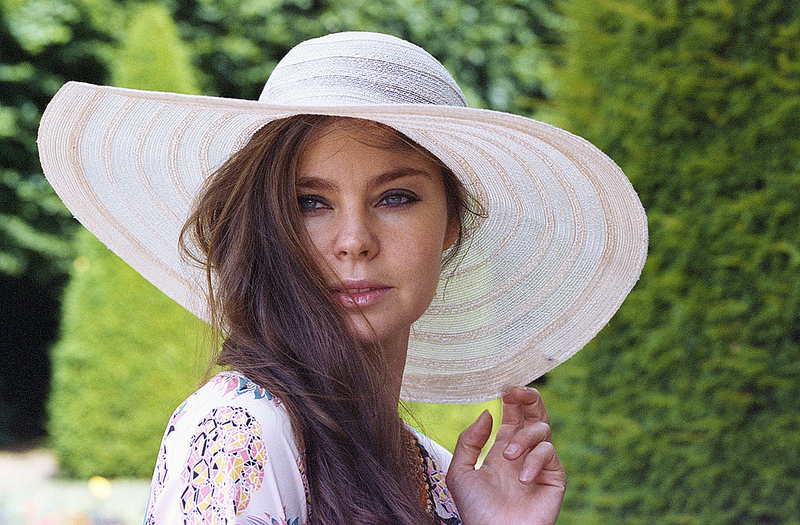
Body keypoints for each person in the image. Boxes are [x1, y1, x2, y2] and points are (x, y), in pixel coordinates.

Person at [38, 32, 647, 524]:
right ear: (270, 224)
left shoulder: (437, 475)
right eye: (310, 203)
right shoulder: (240, 432)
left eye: (397, 197)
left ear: (452, 224)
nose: (354, 241)